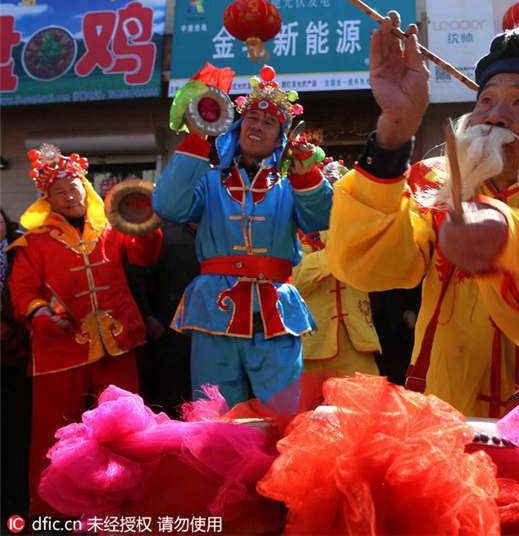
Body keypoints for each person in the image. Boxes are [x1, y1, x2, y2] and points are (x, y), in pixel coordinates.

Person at [326, 13, 519, 417]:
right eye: (486, 100)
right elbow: (366, 266)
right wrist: (395, 130)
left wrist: (512, 239)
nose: (494, 115)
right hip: (450, 408)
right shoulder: (437, 187)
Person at [152, 65, 333, 408]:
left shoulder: (288, 185)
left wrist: (308, 178)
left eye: (269, 122)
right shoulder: (207, 181)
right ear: (237, 126)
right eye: (251, 118)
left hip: (276, 310)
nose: (257, 126)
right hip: (214, 309)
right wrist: (196, 139)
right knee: (215, 412)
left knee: (283, 410)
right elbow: (168, 205)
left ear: (280, 136)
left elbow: (321, 220)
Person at [7, 147, 162, 516]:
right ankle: (50, 512)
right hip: (59, 352)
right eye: (59, 191)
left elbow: (144, 256)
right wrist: (42, 313)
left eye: (74, 186)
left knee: (129, 431)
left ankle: (130, 507)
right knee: (53, 435)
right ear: (48, 199)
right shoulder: (34, 242)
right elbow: (23, 291)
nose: (70, 195)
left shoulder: (112, 227)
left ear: (86, 186)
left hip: (117, 343)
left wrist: (145, 221)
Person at [292, 160, 382, 377]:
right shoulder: (294, 229)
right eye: (329, 188)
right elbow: (292, 281)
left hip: (358, 342)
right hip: (307, 346)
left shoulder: (361, 230)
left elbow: (378, 277)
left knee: (366, 409)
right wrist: (340, 252)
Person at [125, 220, 200, 418]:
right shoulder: (164, 235)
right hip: (168, 326)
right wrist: (147, 316)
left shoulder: (223, 231)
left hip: (212, 328)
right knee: (172, 391)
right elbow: (135, 276)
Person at [1, 209, 30, 519]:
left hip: (17, 351)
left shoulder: (20, 249)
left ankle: (15, 501)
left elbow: (28, 291)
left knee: (15, 430)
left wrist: (9, 323)